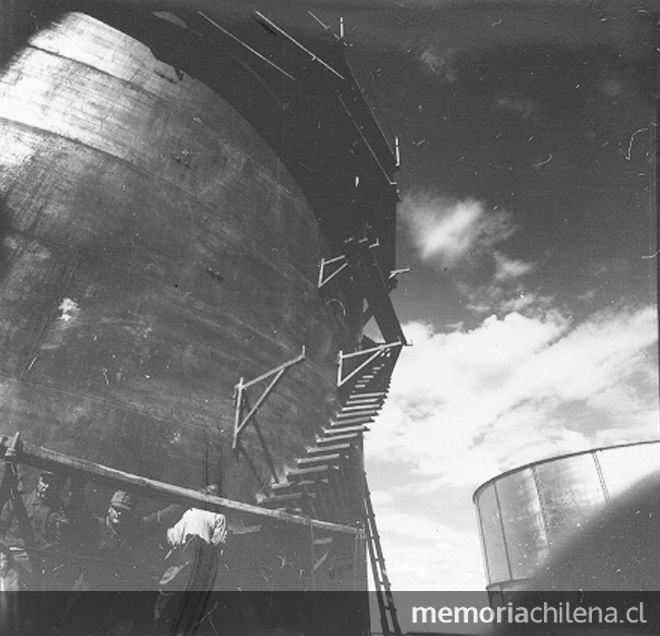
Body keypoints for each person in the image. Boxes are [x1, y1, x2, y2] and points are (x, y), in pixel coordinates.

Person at [154, 484, 227, 635]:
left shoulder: (190, 513)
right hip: (201, 566)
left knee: (167, 596)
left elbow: (172, 537)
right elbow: (217, 543)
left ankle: (159, 628)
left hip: (180, 563)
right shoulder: (219, 517)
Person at [0, 469, 70, 590]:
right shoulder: (18, 502)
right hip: (14, 558)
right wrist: (3, 556)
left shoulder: (58, 513)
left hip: (42, 564)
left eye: (52, 484)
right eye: (45, 482)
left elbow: (58, 544)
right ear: (39, 480)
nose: (47, 487)